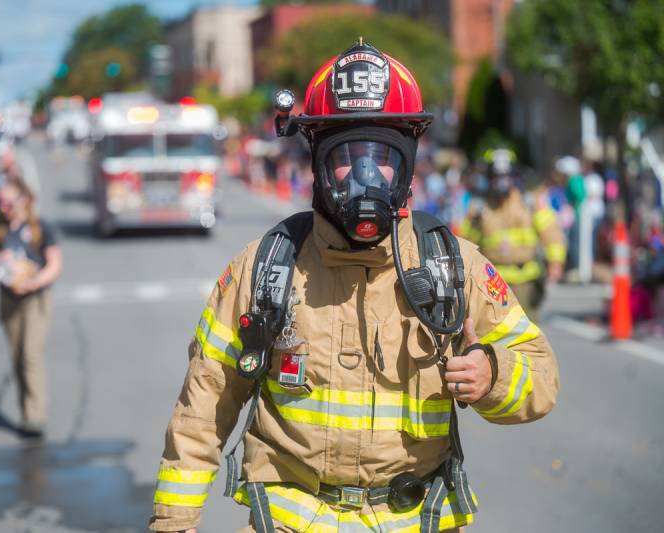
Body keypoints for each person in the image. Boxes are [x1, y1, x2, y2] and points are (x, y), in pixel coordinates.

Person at [150, 41, 560, 533]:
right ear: (319, 162)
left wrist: (492, 375)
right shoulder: (265, 267)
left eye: (381, 156)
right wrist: (173, 522)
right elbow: (203, 404)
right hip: (290, 521)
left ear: (406, 164)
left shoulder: (453, 265)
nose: (366, 176)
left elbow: (542, 377)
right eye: (347, 156)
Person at [0, 175, 62, 438]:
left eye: (9, 202)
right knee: (17, 357)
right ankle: (26, 412)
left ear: (25, 199)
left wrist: (33, 281)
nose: (4, 208)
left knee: (31, 355)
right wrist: (2, 265)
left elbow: (54, 264)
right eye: (1, 203)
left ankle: (36, 416)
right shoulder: (0, 228)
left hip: (34, 298)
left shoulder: (40, 227)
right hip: (9, 298)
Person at [459, 149, 566, 323]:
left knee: (528, 336)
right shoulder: (479, 208)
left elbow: (551, 232)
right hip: (492, 283)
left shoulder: (529, 202)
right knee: (496, 335)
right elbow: (465, 243)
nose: (501, 182)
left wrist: (556, 262)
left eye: (506, 176)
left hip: (525, 280)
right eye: (496, 176)